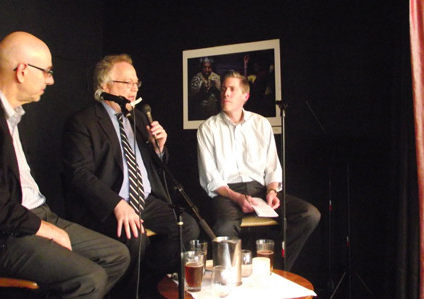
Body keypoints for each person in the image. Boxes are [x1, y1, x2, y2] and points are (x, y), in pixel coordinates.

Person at [0, 31, 129, 299]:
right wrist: (47, 230)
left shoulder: (7, 114)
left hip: (35, 214)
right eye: (47, 71)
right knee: (89, 277)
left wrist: (46, 224)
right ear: (22, 71)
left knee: (118, 255)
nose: (51, 80)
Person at [62, 54, 200, 298]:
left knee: (187, 226)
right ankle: (128, 291)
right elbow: (79, 174)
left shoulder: (135, 118)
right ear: (105, 86)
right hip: (108, 203)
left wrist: (159, 148)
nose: (134, 89)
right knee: (134, 237)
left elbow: (152, 165)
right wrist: (117, 204)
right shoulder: (83, 122)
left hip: (144, 200)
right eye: (127, 83)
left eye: (136, 83)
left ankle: (144, 279)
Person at [197, 70, 320, 272]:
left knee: (309, 214)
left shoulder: (261, 124)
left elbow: (272, 167)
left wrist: (272, 191)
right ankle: (230, 281)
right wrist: (236, 197)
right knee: (224, 228)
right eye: (223, 89)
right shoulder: (207, 128)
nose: (225, 93)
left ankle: (274, 271)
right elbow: (210, 177)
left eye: (232, 89)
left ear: (245, 96)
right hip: (227, 192)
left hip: (260, 189)